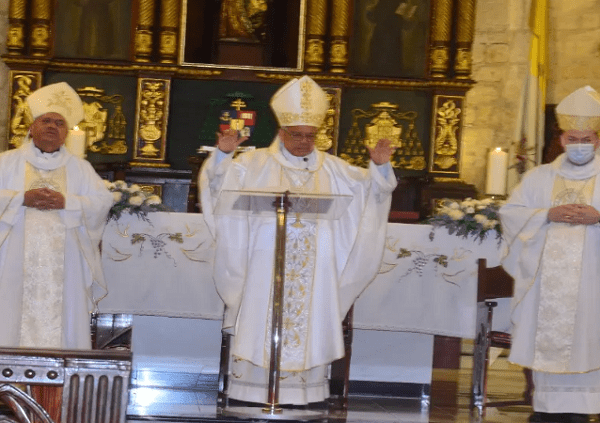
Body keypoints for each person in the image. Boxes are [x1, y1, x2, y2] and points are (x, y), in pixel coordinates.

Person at [200, 75, 397, 405]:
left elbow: (372, 193)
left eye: (310, 135)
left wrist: (379, 167)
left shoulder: (334, 168)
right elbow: (218, 188)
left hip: (316, 266)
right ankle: (253, 389)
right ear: (282, 133)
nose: (305, 142)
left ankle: (306, 390)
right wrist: (222, 156)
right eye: (297, 135)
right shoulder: (252, 163)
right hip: (263, 261)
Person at [500, 85, 600, 423]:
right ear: (561, 139)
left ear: (597, 140)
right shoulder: (538, 178)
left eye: (586, 139)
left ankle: (584, 411)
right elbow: (510, 214)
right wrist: (546, 214)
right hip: (546, 286)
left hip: (592, 285)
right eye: (573, 138)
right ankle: (546, 410)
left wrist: (598, 217)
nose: (579, 144)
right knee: (548, 341)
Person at [0, 82, 113, 350]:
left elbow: (102, 201)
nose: (52, 126)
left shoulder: (80, 168)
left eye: (59, 123)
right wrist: (20, 198)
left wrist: (67, 202)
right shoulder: (6, 161)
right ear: (31, 128)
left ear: (66, 133)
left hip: (66, 258)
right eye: (46, 121)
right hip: (13, 254)